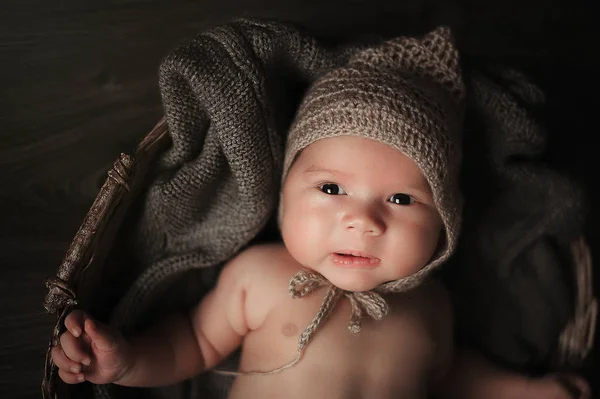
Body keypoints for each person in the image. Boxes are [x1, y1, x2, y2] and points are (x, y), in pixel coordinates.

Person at [50, 26, 590, 399]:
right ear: (285, 196)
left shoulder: (433, 304)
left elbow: (450, 377)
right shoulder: (260, 276)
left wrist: (522, 389)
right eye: (331, 188)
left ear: (446, 223)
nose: (363, 221)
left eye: (402, 199)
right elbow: (190, 343)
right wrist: (124, 362)